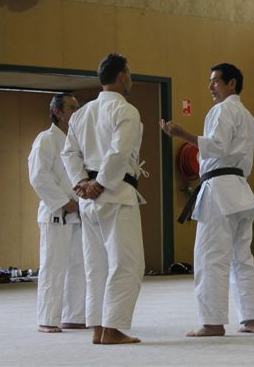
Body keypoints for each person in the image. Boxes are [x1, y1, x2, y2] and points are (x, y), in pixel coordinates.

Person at [160, 63, 254, 337]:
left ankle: (212, 322)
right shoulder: (249, 117)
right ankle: (253, 318)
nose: (210, 87)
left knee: (210, 257)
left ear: (232, 83)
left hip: (219, 192)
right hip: (240, 190)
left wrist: (182, 134)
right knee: (242, 258)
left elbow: (217, 146)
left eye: (215, 81)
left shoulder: (222, 110)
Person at [62, 53, 146, 344]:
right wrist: (99, 183)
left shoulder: (82, 113)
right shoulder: (125, 110)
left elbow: (69, 153)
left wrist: (82, 182)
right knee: (127, 263)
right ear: (122, 76)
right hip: (116, 195)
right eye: (129, 75)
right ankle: (112, 328)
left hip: (89, 200)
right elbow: (118, 152)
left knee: (96, 265)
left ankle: (98, 328)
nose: (130, 80)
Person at [28, 93, 86, 333]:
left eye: (78, 107)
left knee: (79, 266)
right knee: (53, 266)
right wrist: (64, 202)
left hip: (78, 213)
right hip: (56, 214)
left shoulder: (78, 140)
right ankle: (47, 319)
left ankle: (74, 315)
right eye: (72, 108)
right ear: (58, 112)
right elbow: (38, 177)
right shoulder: (46, 139)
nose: (76, 111)